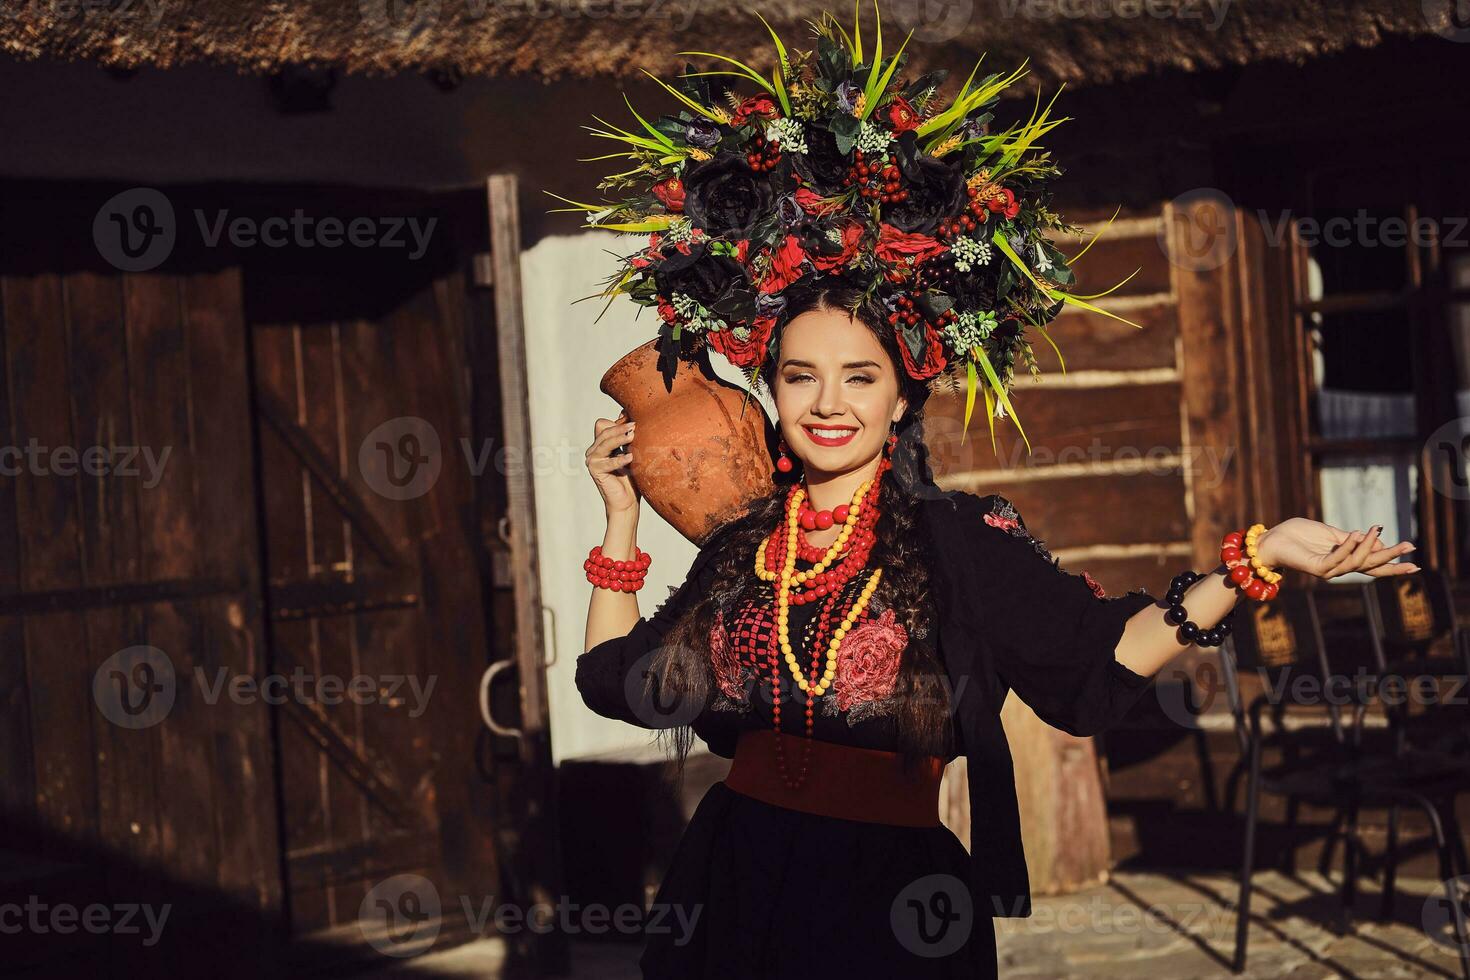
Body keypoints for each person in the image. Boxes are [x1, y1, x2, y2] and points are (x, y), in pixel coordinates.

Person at [576, 280, 1419, 979]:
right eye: (801, 376)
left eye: (860, 377)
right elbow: (618, 679)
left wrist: (1252, 558)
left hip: (886, 903)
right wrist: (621, 520)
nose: (828, 403)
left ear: (902, 395)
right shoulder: (747, 547)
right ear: (774, 391)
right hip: (733, 879)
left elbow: (1098, 659)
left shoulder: (962, 540)